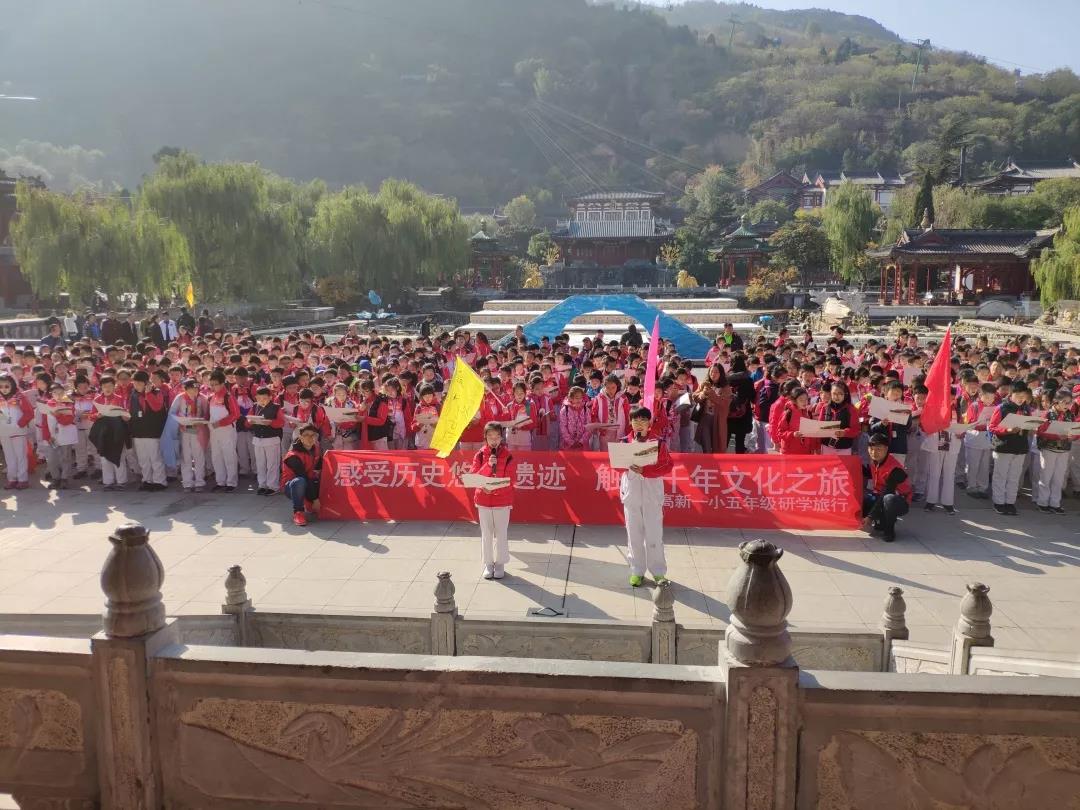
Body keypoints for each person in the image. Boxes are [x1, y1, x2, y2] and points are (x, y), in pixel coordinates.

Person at [620, 406, 673, 587]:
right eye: (635, 420)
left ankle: (658, 571)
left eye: (643, 420)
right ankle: (637, 570)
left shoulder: (658, 442)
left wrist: (646, 470)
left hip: (651, 491)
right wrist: (626, 464)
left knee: (654, 533)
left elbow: (667, 465)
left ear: (649, 422)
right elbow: (616, 465)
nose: (639, 423)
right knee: (633, 533)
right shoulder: (624, 442)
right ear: (630, 422)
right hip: (632, 491)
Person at [469, 422, 517, 580]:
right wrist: (488, 467)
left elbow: (511, 479)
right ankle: (488, 563)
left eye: (497, 436)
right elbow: (473, 477)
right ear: (485, 438)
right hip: (483, 500)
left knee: (501, 533)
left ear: (501, 437)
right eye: (490, 436)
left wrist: (494, 489)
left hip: (502, 501)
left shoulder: (508, 455)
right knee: (486, 533)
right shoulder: (480, 455)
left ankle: (500, 563)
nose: (494, 440)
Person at [988, 383, 1034, 515]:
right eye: (1018, 395)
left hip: (1020, 447)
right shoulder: (1002, 407)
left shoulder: (1026, 408)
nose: (1021, 399)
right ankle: (998, 502)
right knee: (1000, 475)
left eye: (1023, 396)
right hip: (1004, 446)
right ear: (1011, 394)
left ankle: (1010, 502)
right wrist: (1007, 430)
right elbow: (992, 427)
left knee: (1014, 476)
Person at [1035, 389, 1078, 514]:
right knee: (1046, 476)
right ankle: (1042, 502)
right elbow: (1040, 431)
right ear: (1056, 401)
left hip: (1064, 450)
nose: (1067, 405)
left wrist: (1073, 437)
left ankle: (1055, 503)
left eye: (1069, 402)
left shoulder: (1071, 415)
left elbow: (1075, 431)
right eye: (1064, 402)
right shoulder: (1048, 414)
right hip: (1049, 448)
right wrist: (1057, 436)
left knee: (1059, 478)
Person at [863, 433, 912, 543]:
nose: (874, 452)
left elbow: (886, 492)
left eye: (878, 449)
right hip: (880, 495)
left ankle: (889, 531)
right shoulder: (875, 462)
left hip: (899, 501)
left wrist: (870, 516)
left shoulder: (894, 469)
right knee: (863, 498)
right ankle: (881, 522)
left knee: (889, 499)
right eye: (871, 449)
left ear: (886, 449)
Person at [128, 370, 168, 491]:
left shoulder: (156, 392)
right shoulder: (133, 394)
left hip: (152, 430)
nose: (136, 386)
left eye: (139, 383)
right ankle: (147, 480)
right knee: (143, 458)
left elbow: (157, 407)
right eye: (135, 383)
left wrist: (148, 394)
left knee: (155, 457)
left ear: (146, 383)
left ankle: (160, 481)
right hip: (138, 431)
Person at [170, 378, 209, 492]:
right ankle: (187, 482)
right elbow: (172, 413)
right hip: (184, 430)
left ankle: (200, 482)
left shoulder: (202, 398)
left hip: (198, 431)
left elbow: (207, 414)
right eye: (192, 388)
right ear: (185, 389)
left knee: (199, 456)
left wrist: (201, 420)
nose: (195, 391)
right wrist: (180, 420)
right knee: (185, 457)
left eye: (197, 388)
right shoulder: (180, 398)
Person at [282, 423, 322, 526]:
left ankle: (311, 505)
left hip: (308, 481)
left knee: (323, 478)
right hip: (292, 486)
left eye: (313, 435)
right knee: (300, 481)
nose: (310, 438)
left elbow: (320, 467)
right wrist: (315, 499)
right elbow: (303, 476)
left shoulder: (316, 448)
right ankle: (298, 512)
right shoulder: (293, 456)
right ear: (300, 437)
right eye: (306, 435)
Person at [207, 369, 240, 492]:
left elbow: (236, 414)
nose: (213, 387)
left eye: (215, 384)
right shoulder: (211, 397)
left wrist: (220, 423)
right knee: (216, 456)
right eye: (211, 384)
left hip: (227, 430)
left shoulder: (228, 396)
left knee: (229, 455)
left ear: (222, 383)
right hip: (214, 431)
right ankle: (220, 481)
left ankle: (231, 482)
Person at [249, 385, 285, 496]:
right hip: (258, 439)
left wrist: (270, 423)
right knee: (260, 463)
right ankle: (262, 485)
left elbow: (281, 422)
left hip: (272, 439)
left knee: (272, 464)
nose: (262, 401)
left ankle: (273, 486)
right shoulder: (254, 407)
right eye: (259, 398)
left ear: (270, 397)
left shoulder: (276, 407)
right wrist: (250, 421)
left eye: (264, 398)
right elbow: (247, 420)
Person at [0, 374, 34, 489]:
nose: (3, 389)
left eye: (6, 386)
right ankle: (12, 479)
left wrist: (19, 424)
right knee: (9, 456)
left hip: (18, 431)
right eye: (1, 386)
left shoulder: (20, 396)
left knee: (20, 456)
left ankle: (23, 479)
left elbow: (29, 412)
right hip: (4, 432)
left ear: (12, 385)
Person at [693, 362, 731, 454]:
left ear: (721, 374)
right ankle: (708, 460)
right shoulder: (705, 384)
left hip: (718, 420)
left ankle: (716, 462)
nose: (713, 374)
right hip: (705, 418)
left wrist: (711, 394)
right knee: (706, 445)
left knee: (717, 446)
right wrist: (702, 394)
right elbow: (695, 396)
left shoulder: (726, 388)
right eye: (711, 372)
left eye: (716, 372)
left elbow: (724, 403)